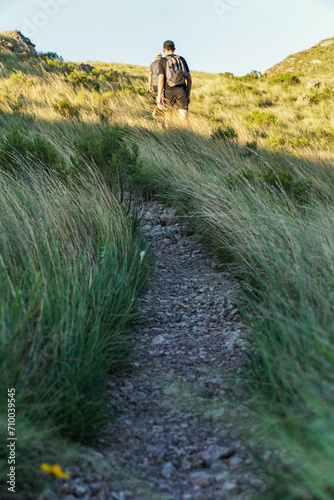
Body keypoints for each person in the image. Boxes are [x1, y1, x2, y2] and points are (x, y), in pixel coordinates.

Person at [157, 40, 192, 127]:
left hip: (168, 92)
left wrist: (159, 96)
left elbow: (161, 80)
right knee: (184, 118)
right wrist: (188, 94)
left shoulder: (163, 61)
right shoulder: (182, 59)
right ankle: (186, 136)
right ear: (174, 49)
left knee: (168, 118)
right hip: (182, 90)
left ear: (164, 49)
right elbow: (189, 79)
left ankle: (168, 137)